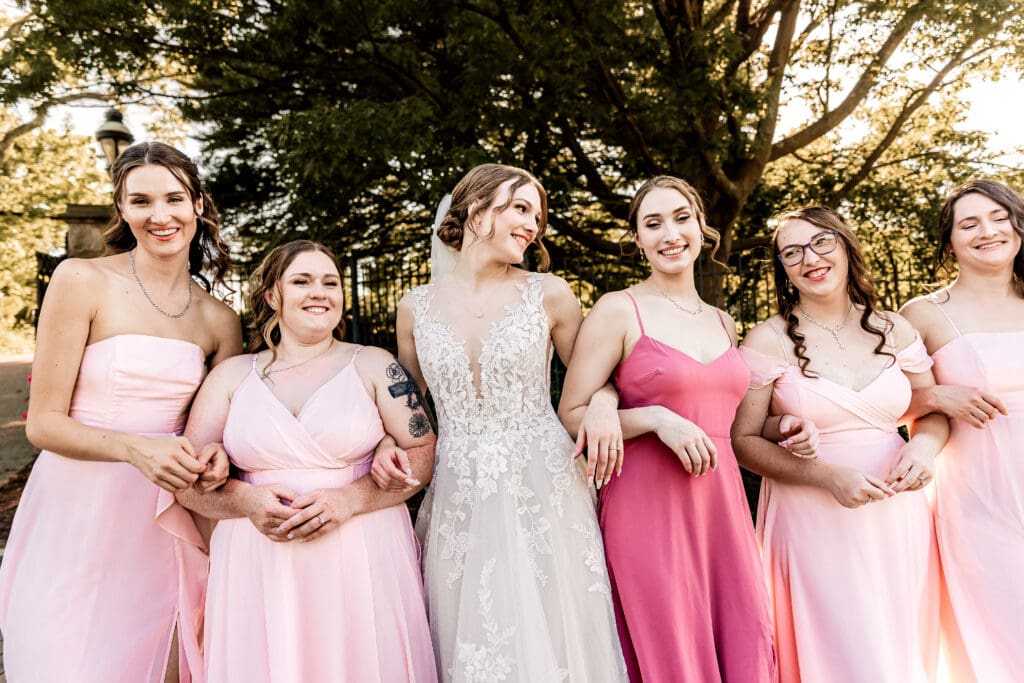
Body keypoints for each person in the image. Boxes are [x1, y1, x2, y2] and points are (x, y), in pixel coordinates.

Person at [372, 163, 627, 681]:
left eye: (538, 214)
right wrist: (382, 441)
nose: (533, 224)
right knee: (470, 632)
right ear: (474, 207)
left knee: (556, 626)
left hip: (543, 480)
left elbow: (594, 378)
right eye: (520, 207)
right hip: (458, 485)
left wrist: (603, 404)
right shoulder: (414, 307)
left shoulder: (549, 293)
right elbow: (409, 407)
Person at [0, 141, 242, 682]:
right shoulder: (81, 280)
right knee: (62, 659)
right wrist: (136, 448)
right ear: (122, 208)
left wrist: (217, 455)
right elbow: (43, 424)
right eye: (141, 201)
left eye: (175, 198)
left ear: (198, 204)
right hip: (76, 509)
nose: (160, 216)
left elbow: (219, 429)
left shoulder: (220, 320)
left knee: (153, 662)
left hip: (163, 517)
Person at [178, 240, 438, 682]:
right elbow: (186, 481)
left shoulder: (376, 366)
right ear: (272, 296)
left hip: (362, 552)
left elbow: (422, 455)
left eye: (330, 283)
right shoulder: (232, 375)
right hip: (257, 559)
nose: (320, 292)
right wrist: (245, 500)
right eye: (302, 281)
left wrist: (350, 499)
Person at [557, 175, 784, 682]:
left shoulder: (723, 322)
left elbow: (729, 420)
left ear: (703, 230)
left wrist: (785, 424)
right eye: (653, 223)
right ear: (637, 240)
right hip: (647, 506)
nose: (670, 233)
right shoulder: (619, 309)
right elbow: (570, 415)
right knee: (669, 645)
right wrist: (656, 419)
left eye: (681, 218)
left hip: (722, 510)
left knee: (745, 631)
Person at [732, 206, 948, 683]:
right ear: (784, 270)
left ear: (846, 245)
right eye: (793, 252)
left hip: (898, 513)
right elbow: (743, 441)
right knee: (844, 655)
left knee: (900, 650)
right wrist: (825, 475)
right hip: (811, 517)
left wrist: (924, 448)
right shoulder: (767, 339)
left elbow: (930, 410)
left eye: (822, 242)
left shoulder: (896, 329)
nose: (810, 257)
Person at [900, 179, 1024, 682]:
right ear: (949, 241)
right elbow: (892, 405)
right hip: (981, 503)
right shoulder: (924, 315)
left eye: (999, 217)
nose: (987, 231)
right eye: (968, 224)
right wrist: (935, 397)